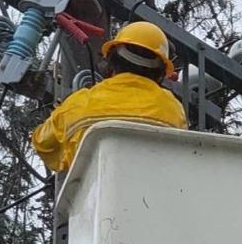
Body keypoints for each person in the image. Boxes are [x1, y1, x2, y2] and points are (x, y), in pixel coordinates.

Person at [32, 21, 187, 172]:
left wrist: (67, 155)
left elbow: (41, 143)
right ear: (161, 73)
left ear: (111, 60)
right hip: (156, 195)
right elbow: (183, 156)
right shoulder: (172, 107)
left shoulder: (79, 103)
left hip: (93, 195)